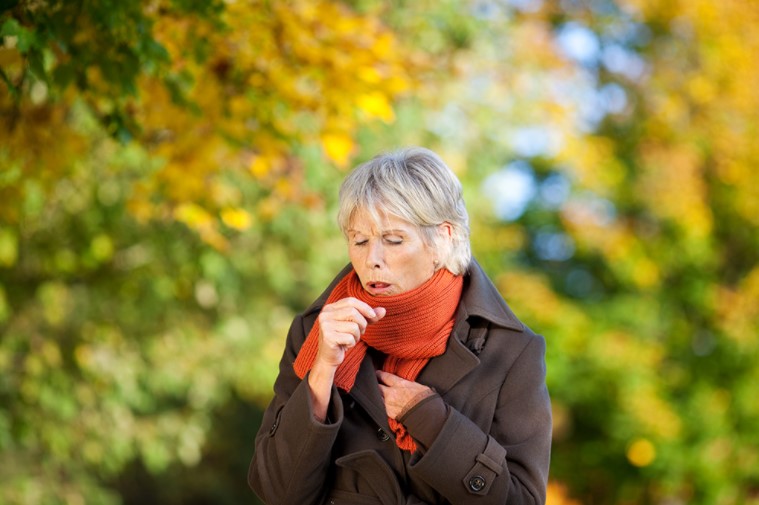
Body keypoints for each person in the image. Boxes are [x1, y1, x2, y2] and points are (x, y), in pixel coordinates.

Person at [248, 147, 552, 505]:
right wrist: (321, 374)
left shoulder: (511, 350)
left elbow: (521, 501)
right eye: (359, 240)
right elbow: (277, 493)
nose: (372, 259)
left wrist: (432, 421)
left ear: (444, 237)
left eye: (393, 240)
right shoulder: (317, 332)